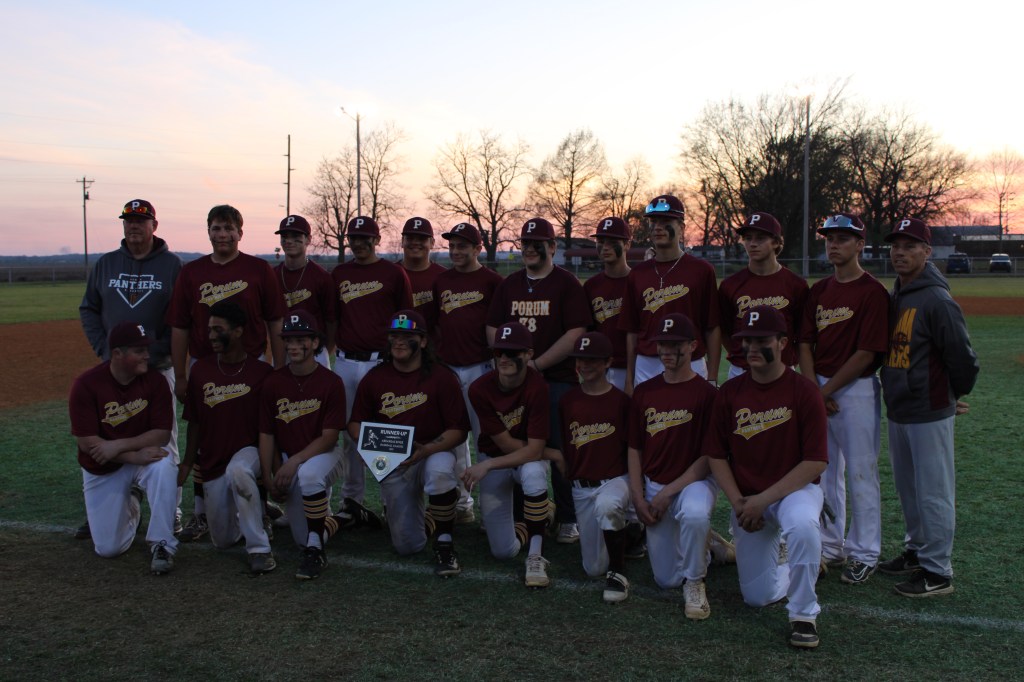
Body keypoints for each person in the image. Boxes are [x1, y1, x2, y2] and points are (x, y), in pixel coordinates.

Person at [706, 306, 829, 649]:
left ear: (783, 343)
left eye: (762, 340)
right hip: (748, 499)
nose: (752, 347)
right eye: (747, 340)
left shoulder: (803, 390)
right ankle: (803, 564)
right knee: (756, 597)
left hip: (795, 491)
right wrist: (738, 503)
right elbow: (716, 455)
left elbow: (816, 462)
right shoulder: (730, 392)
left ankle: (803, 614)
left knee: (803, 525)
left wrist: (762, 500)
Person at [169, 204, 287, 542]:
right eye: (216, 228)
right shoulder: (192, 272)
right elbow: (179, 326)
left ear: (240, 232)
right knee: (205, 434)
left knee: (253, 434)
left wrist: (278, 369)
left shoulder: (258, 269)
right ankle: (201, 512)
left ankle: (259, 507)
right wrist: (181, 374)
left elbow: (275, 321)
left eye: (228, 228)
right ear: (208, 231)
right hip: (204, 365)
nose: (222, 235)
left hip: (250, 365)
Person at [878, 218, 979, 597]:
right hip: (900, 408)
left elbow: (963, 358)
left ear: (927, 251)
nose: (900, 252)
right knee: (909, 490)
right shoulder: (899, 293)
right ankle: (917, 550)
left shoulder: (936, 299)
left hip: (928, 409)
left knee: (933, 492)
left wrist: (951, 395)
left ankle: (937, 571)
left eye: (910, 246)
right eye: (895, 246)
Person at [77, 198, 182, 540]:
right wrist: (105, 350)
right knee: (111, 434)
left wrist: (156, 353)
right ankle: (113, 507)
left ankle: (171, 512)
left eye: (141, 220)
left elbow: (181, 319)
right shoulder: (107, 264)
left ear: (154, 225)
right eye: (129, 220)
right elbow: (89, 309)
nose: (134, 226)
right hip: (114, 372)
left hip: (158, 369)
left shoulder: (171, 266)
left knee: (165, 443)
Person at [486, 217, 591, 544]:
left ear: (552, 247)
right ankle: (524, 515)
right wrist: (510, 366)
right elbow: (493, 328)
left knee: (560, 448)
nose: (530, 249)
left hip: (557, 379)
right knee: (522, 447)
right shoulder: (510, 284)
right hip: (517, 384)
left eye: (538, 244)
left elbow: (576, 332)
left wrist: (537, 364)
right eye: (526, 244)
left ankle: (568, 518)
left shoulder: (566, 283)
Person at [798, 213, 890, 585]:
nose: (834, 245)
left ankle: (865, 552)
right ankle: (830, 545)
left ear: (860, 245)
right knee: (824, 471)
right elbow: (805, 342)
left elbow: (867, 353)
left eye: (843, 239)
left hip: (856, 388)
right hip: (820, 385)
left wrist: (823, 393)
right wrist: (814, 390)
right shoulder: (820, 290)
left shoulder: (872, 292)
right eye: (829, 239)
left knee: (862, 472)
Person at [349, 310, 470, 576]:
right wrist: (367, 446)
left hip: (431, 452)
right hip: (394, 460)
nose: (399, 341)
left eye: (407, 336)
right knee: (407, 546)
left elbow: (459, 431)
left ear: (423, 341)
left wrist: (427, 449)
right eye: (394, 335)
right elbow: (355, 423)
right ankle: (431, 520)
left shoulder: (441, 377)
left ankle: (445, 543)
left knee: (439, 470)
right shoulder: (375, 377)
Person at [259, 310, 377, 579]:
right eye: (288, 340)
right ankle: (346, 517)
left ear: (315, 343)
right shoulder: (274, 382)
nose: (293, 346)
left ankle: (316, 552)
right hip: (290, 458)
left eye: (301, 339)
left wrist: (293, 461)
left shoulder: (330, 381)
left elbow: (329, 437)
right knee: (302, 536)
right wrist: (269, 477)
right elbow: (267, 434)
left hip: (325, 455)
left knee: (310, 476)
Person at [627, 313, 722, 620]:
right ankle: (709, 543)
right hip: (655, 483)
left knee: (693, 513)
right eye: (662, 344)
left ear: (693, 346)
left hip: (694, 482)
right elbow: (634, 448)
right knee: (666, 580)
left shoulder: (708, 394)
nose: (666, 351)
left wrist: (668, 492)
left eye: (674, 344)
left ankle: (695, 582)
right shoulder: (645, 392)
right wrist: (638, 497)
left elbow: (709, 458)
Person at [69, 321, 179, 574]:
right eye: (139, 351)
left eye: (147, 349)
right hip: (103, 466)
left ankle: (162, 544)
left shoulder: (156, 381)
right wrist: (131, 456)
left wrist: (119, 446)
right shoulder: (87, 384)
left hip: (136, 458)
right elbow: (87, 443)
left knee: (164, 466)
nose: (147, 355)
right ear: (117, 353)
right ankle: (133, 504)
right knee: (109, 549)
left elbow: (162, 434)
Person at [179, 301, 275, 573]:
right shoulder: (201, 370)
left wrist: (271, 469)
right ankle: (252, 514)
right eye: (209, 329)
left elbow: (269, 429)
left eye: (218, 330)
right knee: (222, 541)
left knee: (239, 471)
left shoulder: (261, 373)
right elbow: (195, 422)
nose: (210, 336)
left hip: (249, 453)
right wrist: (187, 463)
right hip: (213, 460)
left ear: (238, 331)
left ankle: (259, 548)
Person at [464, 322, 556, 587]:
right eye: (498, 352)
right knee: (502, 551)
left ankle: (536, 555)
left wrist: (488, 465)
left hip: (515, 460)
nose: (503, 358)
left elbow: (534, 451)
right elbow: (505, 444)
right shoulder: (479, 388)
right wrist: (552, 454)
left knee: (534, 472)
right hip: (499, 456)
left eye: (511, 352)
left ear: (528, 354)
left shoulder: (538, 386)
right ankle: (540, 515)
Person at [331, 215, 413, 506]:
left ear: (377, 240)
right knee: (349, 433)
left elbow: (406, 319)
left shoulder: (393, 273)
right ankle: (352, 500)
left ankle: (391, 501)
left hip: (380, 361)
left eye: (365, 238)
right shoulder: (340, 273)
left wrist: (401, 361)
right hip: (345, 360)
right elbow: (333, 319)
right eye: (353, 238)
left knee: (384, 431)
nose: (359, 243)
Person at [432, 222, 504, 525]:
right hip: (449, 368)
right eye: (452, 246)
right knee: (454, 439)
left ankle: (493, 510)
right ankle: (463, 503)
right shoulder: (441, 281)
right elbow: (436, 324)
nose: (456, 251)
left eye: (462, 246)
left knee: (486, 439)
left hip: (481, 367)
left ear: (477, 249)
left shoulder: (492, 281)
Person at [557, 332, 632, 602]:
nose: (584, 365)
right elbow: (562, 443)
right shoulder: (568, 401)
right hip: (582, 487)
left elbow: (633, 450)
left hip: (615, 480)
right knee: (593, 568)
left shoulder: (621, 401)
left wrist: (637, 491)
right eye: (581, 359)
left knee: (608, 505)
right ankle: (629, 535)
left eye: (592, 360)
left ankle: (618, 572)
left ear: (608, 362)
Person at [621, 194, 721, 392]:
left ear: (682, 228)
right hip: (647, 363)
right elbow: (632, 332)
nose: (658, 227)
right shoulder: (638, 274)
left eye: (666, 221)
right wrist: (629, 379)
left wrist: (712, 378)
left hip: (691, 360)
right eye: (654, 222)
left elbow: (712, 327)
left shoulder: (701, 270)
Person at [719, 212, 808, 379]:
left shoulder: (796, 285)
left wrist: (789, 358)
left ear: (776, 242)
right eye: (748, 238)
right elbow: (724, 331)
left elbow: (802, 333)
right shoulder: (730, 285)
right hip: (741, 371)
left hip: (783, 370)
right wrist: (741, 355)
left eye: (760, 238)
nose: (752, 244)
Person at [274, 214, 336, 368]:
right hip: (283, 349)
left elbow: (331, 321)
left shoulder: (321, 277)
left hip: (315, 350)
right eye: (284, 236)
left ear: (308, 239)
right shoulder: (272, 276)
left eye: (296, 236)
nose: (289, 241)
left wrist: (324, 350)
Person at [584, 217, 632, 390]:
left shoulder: (638, 282)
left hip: (632, 365)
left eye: (612, 242)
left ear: (627, 245)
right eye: (601, 241)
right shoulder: (591, 286)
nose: (605, 247)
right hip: (600, 366)